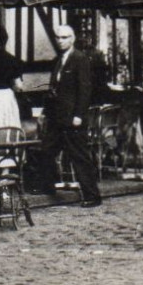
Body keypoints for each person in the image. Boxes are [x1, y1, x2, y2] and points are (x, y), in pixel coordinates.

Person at [38, 24, 102, 207]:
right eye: (58, 37)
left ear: (72, 39)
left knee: (79, 157)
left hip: (72, 119)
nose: (60, 41)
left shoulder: (79, 59)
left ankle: (92, 195)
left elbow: (85, 89)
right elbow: (54, 90)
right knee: (47, 151)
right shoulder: (59, 60)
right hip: (57, 118)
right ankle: (47, 188)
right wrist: (45, 113)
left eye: (64, 37)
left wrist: (79, 115)